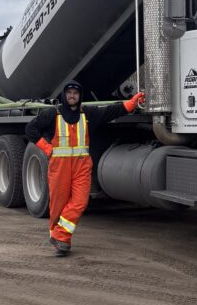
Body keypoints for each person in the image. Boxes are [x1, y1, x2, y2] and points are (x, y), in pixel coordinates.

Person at [25, 81, 145, 255]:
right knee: (58, 205)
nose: (72, 95)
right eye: (69, 92)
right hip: (60, 168)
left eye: (75, 93)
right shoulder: (52, 114)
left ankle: (60, 235)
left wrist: (131, 103)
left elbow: (109, 112)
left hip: (81, 167)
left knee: (80, 202)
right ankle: (60, 240)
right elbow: (30, 129)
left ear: (80, 96)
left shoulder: (87, 114)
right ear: (64, 95)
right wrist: (47, 148)